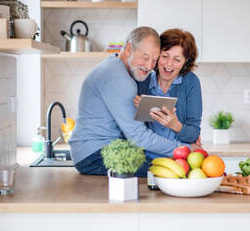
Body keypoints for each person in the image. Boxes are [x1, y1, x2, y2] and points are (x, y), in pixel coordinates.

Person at [69, 26, 188, 177]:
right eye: (145, 57)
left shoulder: (113, 66)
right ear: (128, 50)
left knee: (166, 167)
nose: (149, 66)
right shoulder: (120, 79)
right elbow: (139, 137)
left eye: (154, 60)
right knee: (168, 173)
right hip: (95, 156)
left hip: (92, 153)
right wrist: (183, 149)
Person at [134, 29, 203, 158]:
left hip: (179, 157)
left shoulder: (190, 82)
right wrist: (137, 108)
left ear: (185, 62)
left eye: (177, 59)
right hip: (144, 157)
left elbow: (194, 133)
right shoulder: (144, 79)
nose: (169, 64)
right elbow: (133, 129)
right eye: (165, 56)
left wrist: (176, 126)